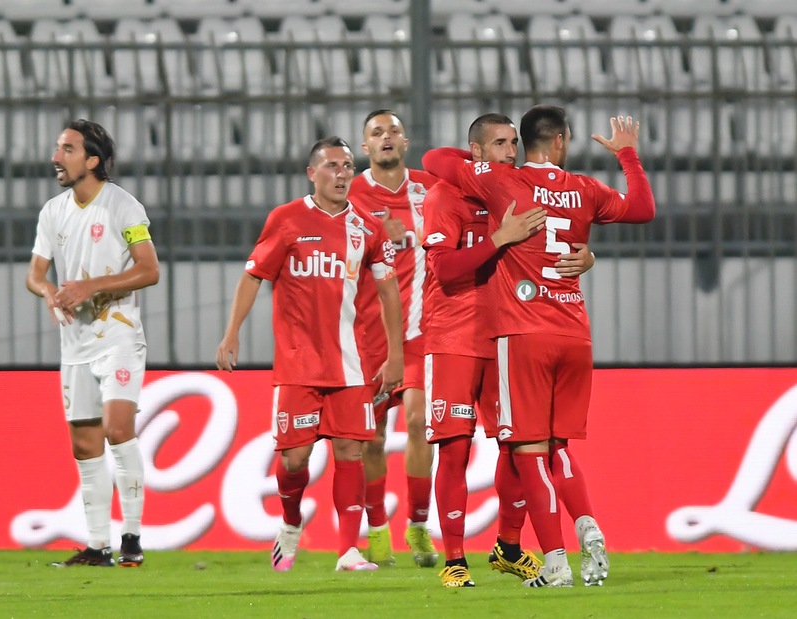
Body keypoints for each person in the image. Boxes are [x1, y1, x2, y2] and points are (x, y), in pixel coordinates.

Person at [423, 106, 656, 587]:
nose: (509, 152)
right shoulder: (462, 192)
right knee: (466, 448)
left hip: (516, 333)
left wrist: (584, 255)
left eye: (514, 143)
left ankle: (521, 549)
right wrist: (503, 238)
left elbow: (434, 157)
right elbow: (444, 269)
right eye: (499, 145)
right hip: (468, 335)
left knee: (524, 449)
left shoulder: (509, 185)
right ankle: (456, 559)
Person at [216, 136, 404, 573]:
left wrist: (395, 354)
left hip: (352, 364)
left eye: (348, 166)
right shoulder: (286, 220)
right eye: (332, 166)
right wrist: (232, 333)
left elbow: (389, 289)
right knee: (294, 459)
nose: (342, 174)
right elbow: (254, 276)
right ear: (311, 174)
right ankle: (290, 521)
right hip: (298, 365)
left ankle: (347, 551)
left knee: (351, 452)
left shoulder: (368, 227)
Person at [26, 119, 159, 567]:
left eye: (66, 149)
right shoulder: (53, 211)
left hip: (118, 335)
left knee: (117, 430)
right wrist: (50, 293)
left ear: (92, 160)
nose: (55, 157)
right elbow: (36, 275)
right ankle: (98, 545)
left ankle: (133, 539)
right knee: (84, 446)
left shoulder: (124, 206)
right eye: (57, 148)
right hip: (75, 343)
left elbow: (149, 270)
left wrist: (92, 287)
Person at [347, 109, 439, 568]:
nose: (386, 138)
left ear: (406, 142)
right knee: (372, 439)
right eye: (376, 133)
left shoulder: (430, 187)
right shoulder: (351, 195)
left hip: (422, 331)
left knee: (422, 423)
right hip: (368, 335)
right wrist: (381, 235)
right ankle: (377, 530)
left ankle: (419, 526)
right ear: (365, 148)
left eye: (394, 131)